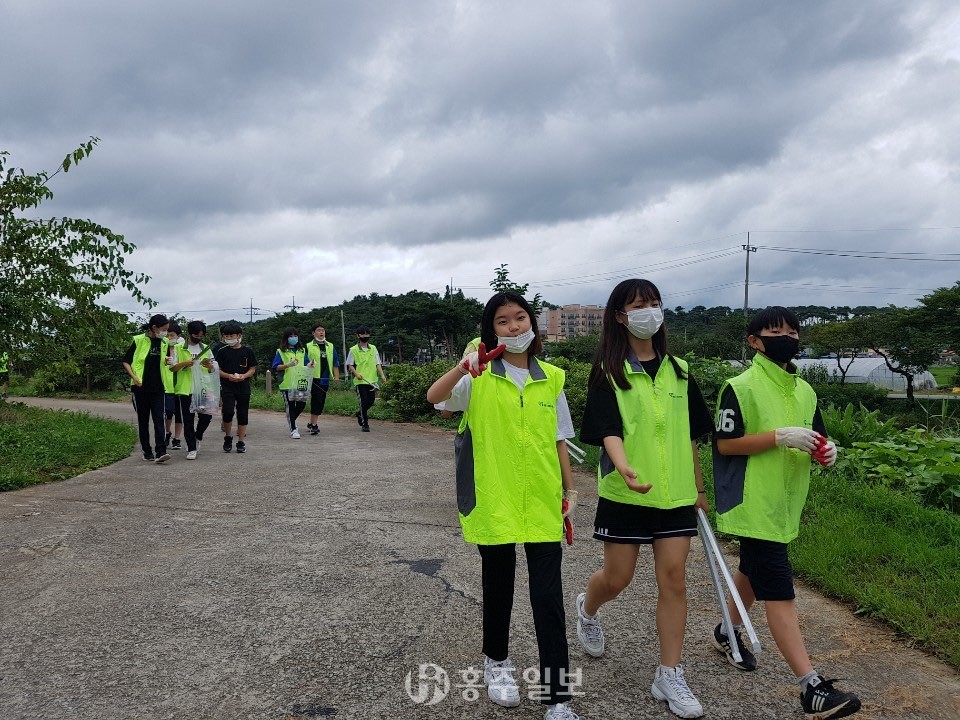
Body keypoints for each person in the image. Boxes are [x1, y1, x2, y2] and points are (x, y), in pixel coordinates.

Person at [426, 292, 581, 720]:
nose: (513, 327)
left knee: (548, 597)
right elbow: (434, 398)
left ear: (533, 323)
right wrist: (465, 364)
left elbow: (559, 439)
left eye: (520, 318)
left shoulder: (553, 377)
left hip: (543, 502)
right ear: (490, 330)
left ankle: (558, 696)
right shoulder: (476, 376)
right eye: (502, 321)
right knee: (500, 585)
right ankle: (496, 662)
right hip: (495, 500)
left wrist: (569, 493)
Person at [711, 306, 860, 719]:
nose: (786, 336)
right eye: (774, 330)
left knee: (752, 573)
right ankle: (810, 686)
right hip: (752, 502)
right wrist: (777, 437)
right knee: (779, 588)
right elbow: (725, 444)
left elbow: (816, 442)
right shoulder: (738, 386)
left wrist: (825, 453)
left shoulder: (805, 391)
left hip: (785, 503)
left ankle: (728, 629)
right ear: (754, 341)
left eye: (792, 331)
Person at [573, 279, 712, 719]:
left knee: (674, 579)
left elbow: (690, 436)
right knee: (618, 579)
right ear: (620, 316)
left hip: (674, 497)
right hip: (625, 494)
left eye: (654, 303)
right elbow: (607, 430)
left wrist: (699, 488)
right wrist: (624, 466)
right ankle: (587, 607)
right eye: (638, 305)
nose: (648, 311)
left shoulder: (681, 371)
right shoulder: (608, 373)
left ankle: (669, 673)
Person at [121, 314, 172, 463]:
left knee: (159, 419)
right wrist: (134, 377)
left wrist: (168, 361)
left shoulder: (164, 342)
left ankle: (161, 451)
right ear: (154, 328)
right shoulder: (139, 340)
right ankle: (146, 451)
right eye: (163, 329)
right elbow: (126, 361)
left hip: (158, 388)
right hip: (140, 388)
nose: (165, 333)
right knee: (143, 420)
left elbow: (166, 361)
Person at [168, 320, 216, 460]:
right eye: (196, 335)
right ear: (190, 333)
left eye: (201, 336)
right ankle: (191, 447)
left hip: (204, 388)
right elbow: (172, 368)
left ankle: (198, 435)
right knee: (187, 419)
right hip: (185, 389)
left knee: (207, 416)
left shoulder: (206, 348)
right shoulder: (178, 348)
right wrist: (184, 363)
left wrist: (209, 366)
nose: (198, 338)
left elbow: (213, 368)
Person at [215, 323, 257, 454]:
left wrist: (244, 376)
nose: (228, 338)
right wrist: (228, 376)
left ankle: (241, 441)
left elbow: (252, 368)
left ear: (239, 336)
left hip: (243, 386)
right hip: (227, 386)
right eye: (226, 336)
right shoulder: (222, 352)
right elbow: (217, 370)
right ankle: (228, 437)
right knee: (227, 412)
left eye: (231, 336)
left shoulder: (247, 351)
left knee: (243, 413)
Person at [346, 326, 386, 433]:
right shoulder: (353, 349)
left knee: (371, 401)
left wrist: (382, 375)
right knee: (363, 401)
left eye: (367, 334)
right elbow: (350, 364)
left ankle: (360, 413)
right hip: (360, 381)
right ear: (358, 336)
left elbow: (378, 363)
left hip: (372, 380)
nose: (365, 336)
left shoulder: (373, 348)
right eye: (362, 334)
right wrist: (356, 374)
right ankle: (365, 423)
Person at [271, 327, 309, 439]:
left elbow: (306, 363)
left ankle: (290, 419)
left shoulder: (302, 351)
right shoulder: (281, 351)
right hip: (287, 383)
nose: (293, 338)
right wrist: (287, 365)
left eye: (295, 336)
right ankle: (293, 429)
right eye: (291, 336)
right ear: (286, 338)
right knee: (291, 406)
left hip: (301, 383)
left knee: (302, 404)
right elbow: (276, 367)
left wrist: (311, 364)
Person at [304, 324, 340, 436]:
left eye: (323, 330)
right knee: (317, 400)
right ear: (313, 333)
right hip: (314, 378)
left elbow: (335, 362)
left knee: (321, 400)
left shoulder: (330, 346)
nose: (321, 332)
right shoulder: (308, 346)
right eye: (318, 330)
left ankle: (311, 422)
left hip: (325, 378)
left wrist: (336, 377)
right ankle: (314, 425)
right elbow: (303, 361)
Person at [161, 322, 185, 451]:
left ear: (178, 335)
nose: (170, 338)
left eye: (172, 335)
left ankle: (177, 438)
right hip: (167, 385)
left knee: (179, 414)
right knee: (168, 412)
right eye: (168, 335)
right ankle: (167, 433)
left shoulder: (182, 348)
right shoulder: (162, 347)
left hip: (180, 386)